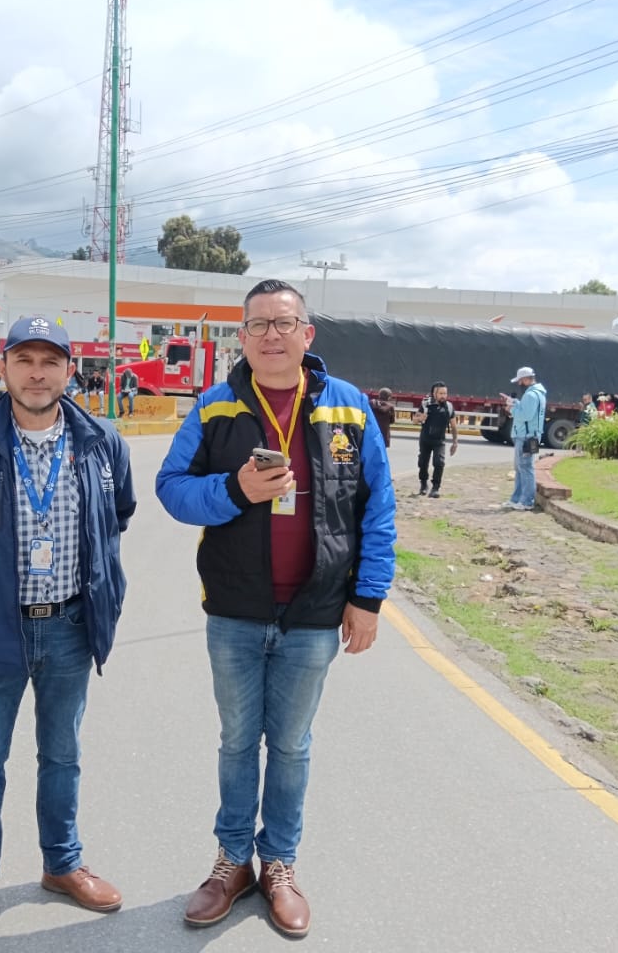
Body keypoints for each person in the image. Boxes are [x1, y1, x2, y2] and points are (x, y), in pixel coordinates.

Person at [155, 279, 396, 939]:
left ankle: (279, 864)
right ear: (242, 336)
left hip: (315, 614)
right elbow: (171, 491)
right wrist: (235, 489)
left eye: (284, 323)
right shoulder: (215, 408)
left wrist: (368, 599)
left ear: (307, 334)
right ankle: (233, 862)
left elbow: (377, 509)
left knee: (289, 746)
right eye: (258, 324)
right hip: (234, 610)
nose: (271, 334)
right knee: (238, 741)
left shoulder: (348, 410)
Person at [0, 316, 136, 946]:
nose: (37, 373)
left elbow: (117, 514)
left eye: (50, 361)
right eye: (24, 360)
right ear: (2, 367)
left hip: (70, 626)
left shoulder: (102, 444)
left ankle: (61, 863)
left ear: (70, 370)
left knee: (62, 755)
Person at [501, 366, 547, 511]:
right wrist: (515, 403)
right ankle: (517, 498)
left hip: (526, 436)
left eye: (520, 380)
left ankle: (526, 500)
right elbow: (528, 411)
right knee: (523, 467)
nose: (519, 384)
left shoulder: (531, 395)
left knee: (525, 467)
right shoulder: (538, 394)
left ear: (526, 379)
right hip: (532, 435)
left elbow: (526, 415)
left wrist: (512, 409)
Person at [417, 381, 458, 498]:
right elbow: (415, 420)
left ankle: (435, 488)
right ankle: (423, 484)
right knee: (423, 463)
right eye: (440, 393)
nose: (443, 396)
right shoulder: (425, 404)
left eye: (445, 393)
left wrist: (455, 442)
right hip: (425, 439)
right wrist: (421, 418)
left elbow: (454, 426)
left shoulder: (449, 407)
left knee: (439, 462)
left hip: (439, 440)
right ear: (434, 393)